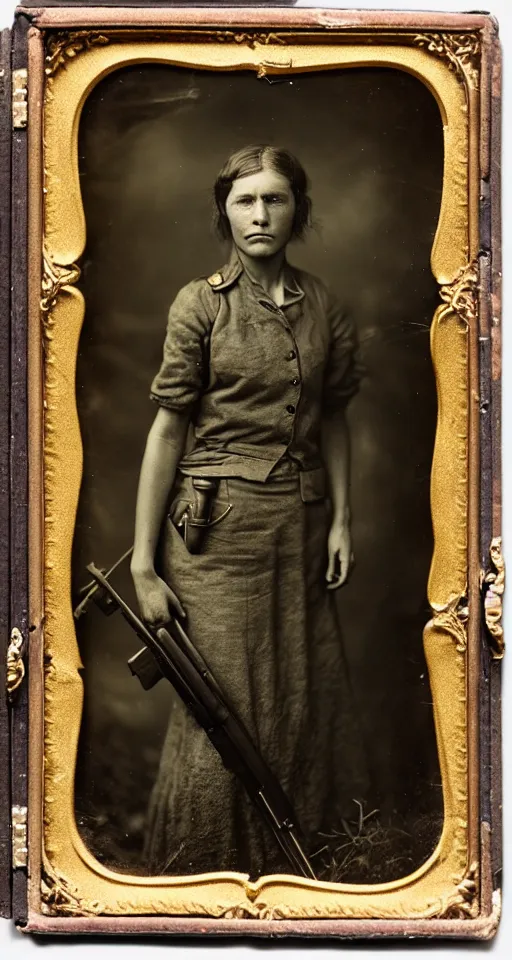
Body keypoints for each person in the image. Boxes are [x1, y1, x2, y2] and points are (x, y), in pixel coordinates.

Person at [131, 144, 368, 879]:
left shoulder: (325, 304)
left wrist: (341, 520)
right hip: (213, 534)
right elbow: (167, 428)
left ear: (299, 209)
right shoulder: (199, 303)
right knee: (222, 707)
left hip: (297, 524)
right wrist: (142, 562)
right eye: (244, 200)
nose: (260, 214)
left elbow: (333, 418)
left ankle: (295, 868)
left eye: (275, 199)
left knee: (296, 693)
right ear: (224, 210)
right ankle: (198, 870)